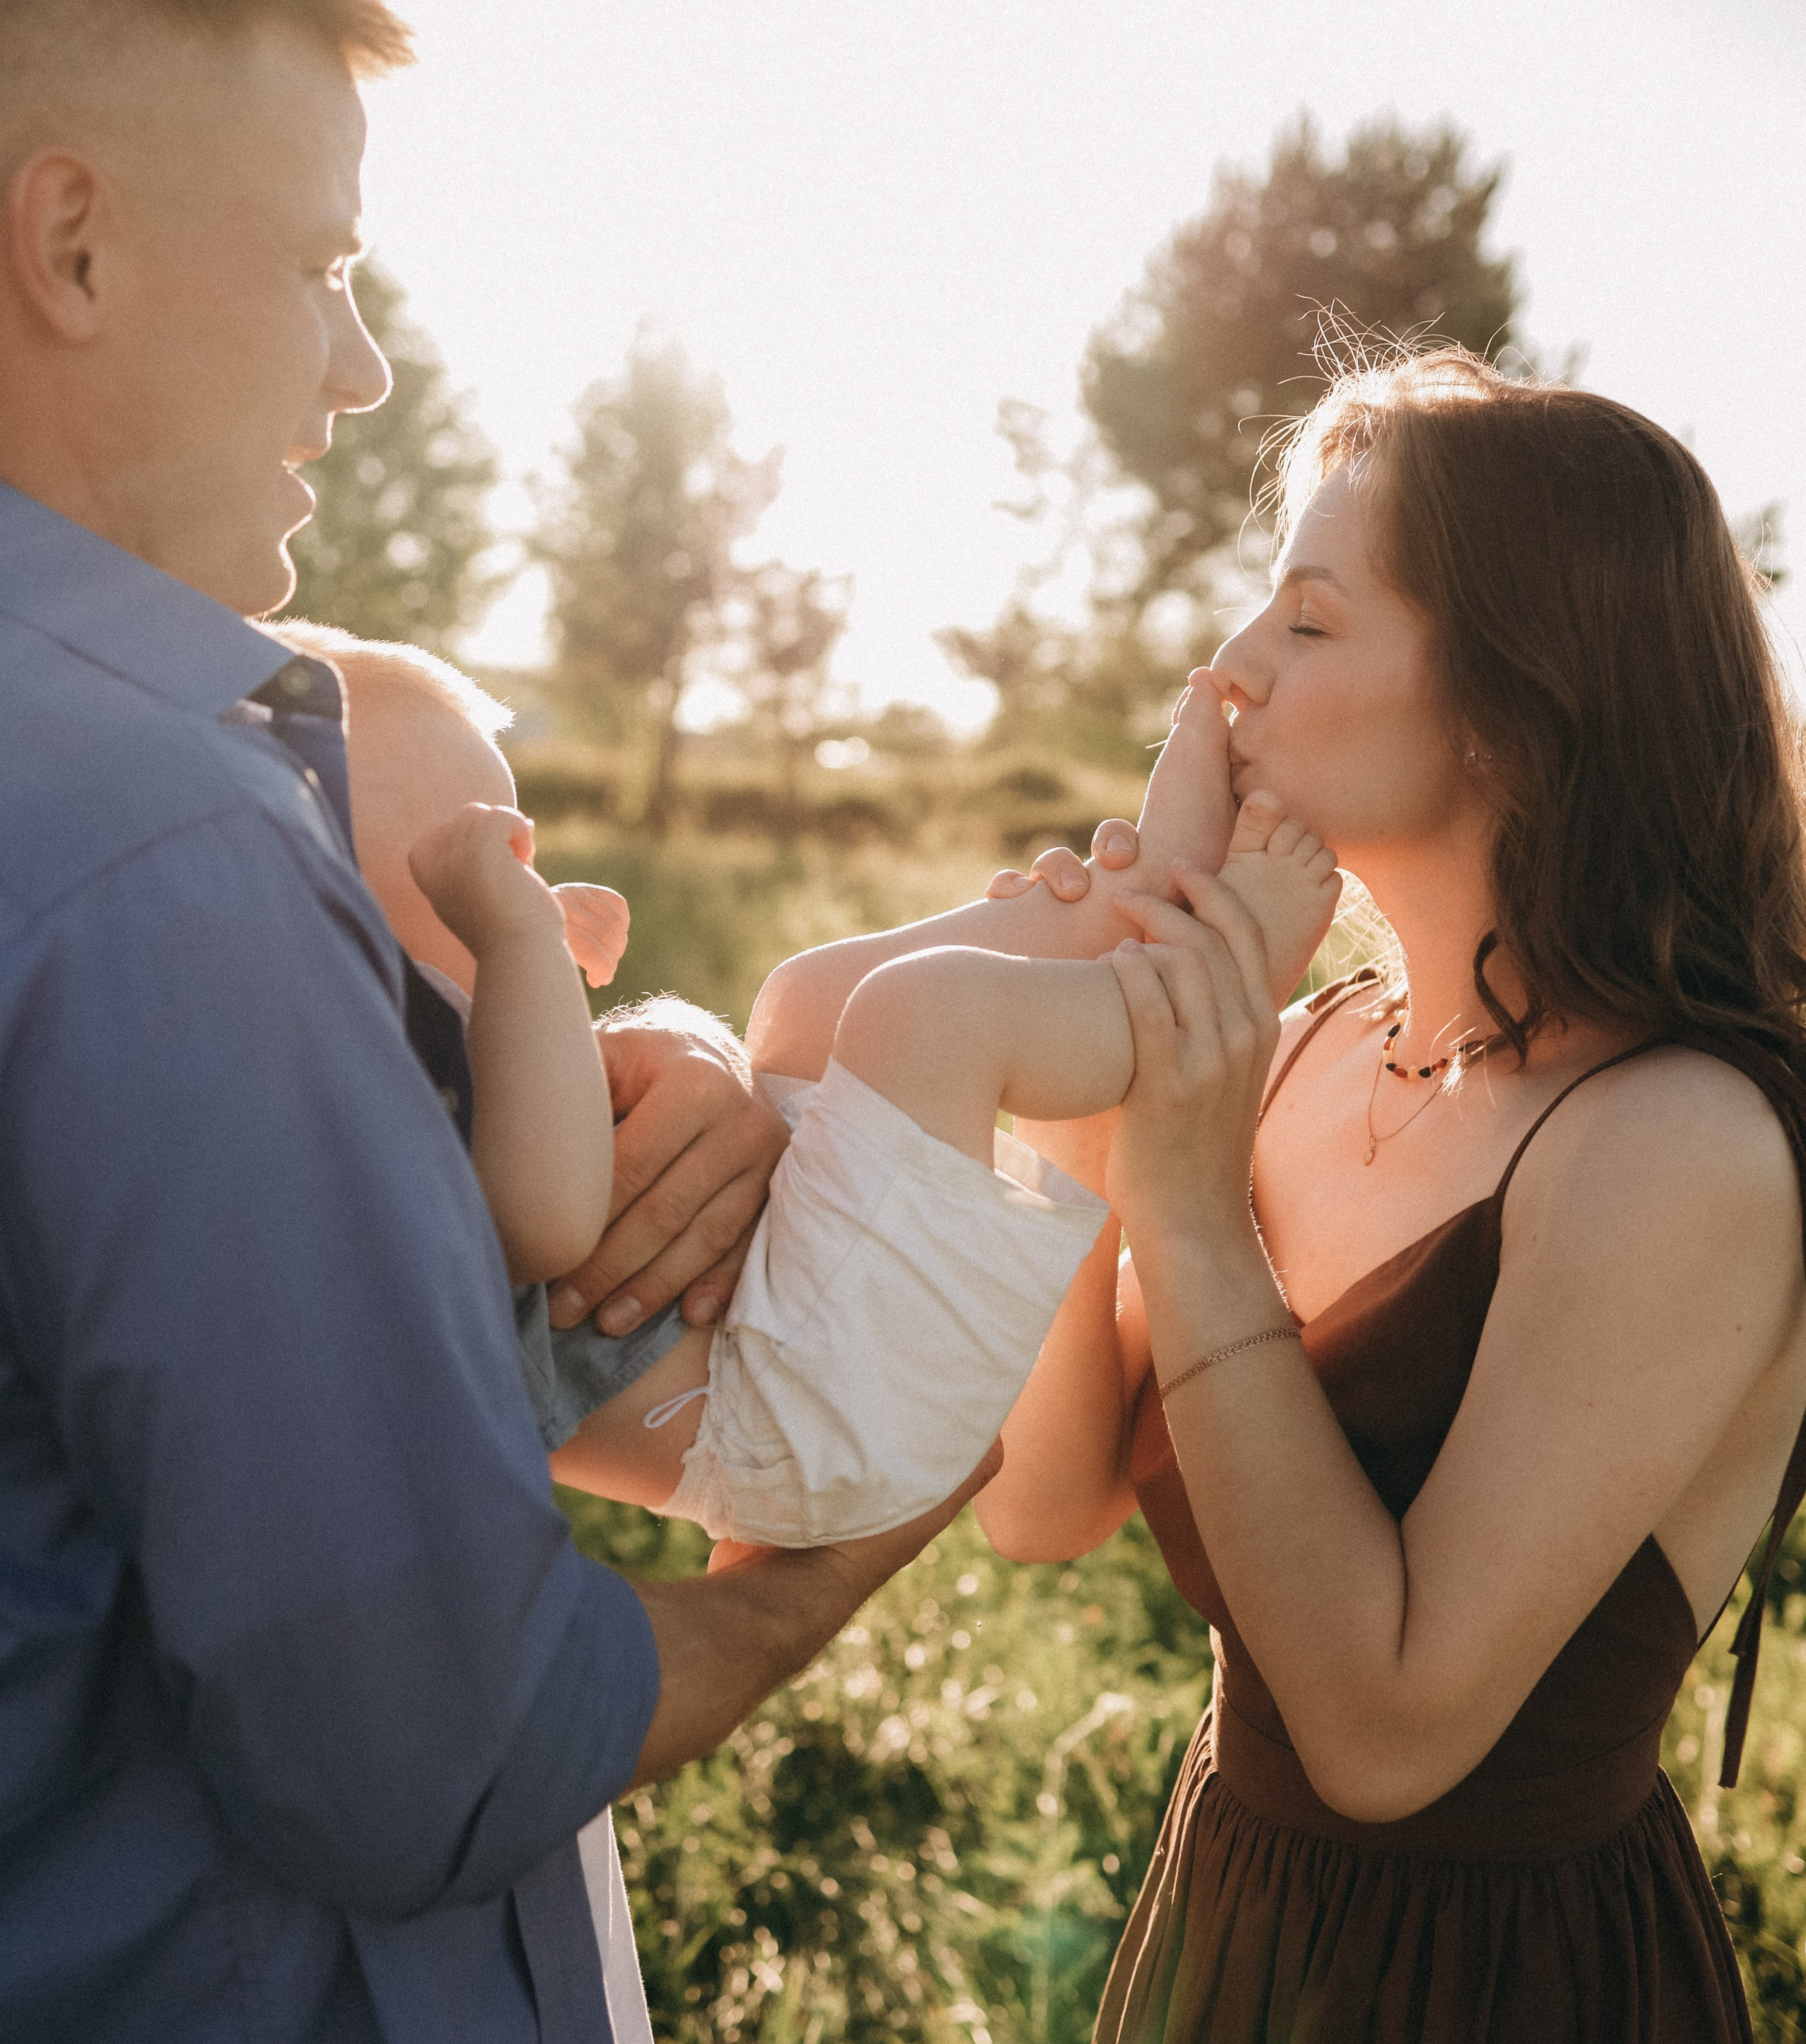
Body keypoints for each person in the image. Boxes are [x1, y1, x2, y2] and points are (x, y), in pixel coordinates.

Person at [0, 0, 987, 2044]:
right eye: (323, 264)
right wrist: (821, 1571)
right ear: (70, 242)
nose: (359, 371)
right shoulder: (161, 851)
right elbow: (419, 1745)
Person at [957, 351, 1806, 2044]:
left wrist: (1184, 1199)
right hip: (1231, 1952)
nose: (1228, 673)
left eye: (1311, 619)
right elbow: (1041, 1501)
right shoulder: (1317, 1047)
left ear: (1517, 699)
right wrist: (1110, 1063)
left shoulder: (1675, 1143)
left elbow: (1391, 1728)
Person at [293, 626, 1340, 1552]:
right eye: (481, 855)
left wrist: (531, 957)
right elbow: (545, 1218)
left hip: (782, 1323)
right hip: (786, 1425)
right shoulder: (360, 1091)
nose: (524, 875)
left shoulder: (445, 1031)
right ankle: (1208, 986)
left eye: (523, 846)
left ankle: (1139, 903)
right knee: (928, 1014)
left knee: (804, 997)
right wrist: (522, 943)